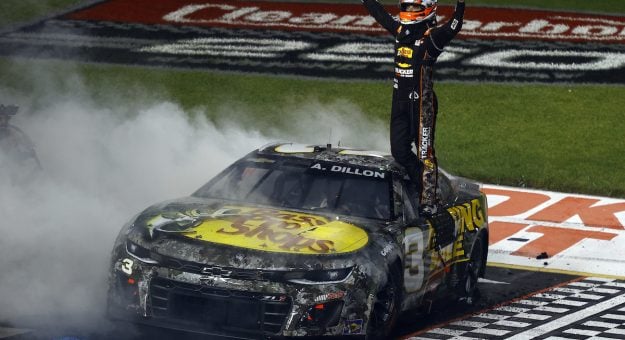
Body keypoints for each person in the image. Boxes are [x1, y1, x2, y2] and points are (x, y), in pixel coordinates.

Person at [361, 0, 465, 215]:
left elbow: (455, 24)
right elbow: (380, 14)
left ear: (427, 10)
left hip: (422, 104)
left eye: (413, 8)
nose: (408, 11)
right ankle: (423, 185)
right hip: (399, 102)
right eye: (406, 7)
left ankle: (430, 201)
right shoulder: (400, 31)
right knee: (399, 151)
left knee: (425, 153)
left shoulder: (433, 37)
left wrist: (460, 4)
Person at [0, 104, 42, 179]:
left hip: (14, 158)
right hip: (6, 162)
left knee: (31, 155)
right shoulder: (10, 130)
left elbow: (26, 141)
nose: (2, 121)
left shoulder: (12, 129)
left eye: (2, 118)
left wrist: (28, 144)